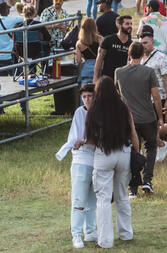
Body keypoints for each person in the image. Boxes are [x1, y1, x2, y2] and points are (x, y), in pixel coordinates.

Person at [84, 78, 139, 249]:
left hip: (104, 154)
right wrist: (136, 153)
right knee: (122, 195)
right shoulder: (123, 107)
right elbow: (133, 132)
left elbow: (91, 139)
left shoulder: (94, 110)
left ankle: (105, 240)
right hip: (124, 152)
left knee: (103, 199)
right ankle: (126, 233)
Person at [114, 41, 164, 197]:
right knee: (151, 147)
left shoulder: (119, 72)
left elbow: (117, 94)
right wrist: (160, 117)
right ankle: (148, 180)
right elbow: (156, 97)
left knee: (132, 150)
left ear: (128, 54)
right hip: (148, 117)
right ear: (143, 55)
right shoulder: (148, 72)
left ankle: (133, 187)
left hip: (129, 119)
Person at [58, 83, 97, 248]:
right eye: (84, 97)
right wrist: (81, 142)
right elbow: (75, 137)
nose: (87, 100)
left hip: (97, 159)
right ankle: (76, 234)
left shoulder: (102, 112)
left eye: (90, 96)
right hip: (81, 160)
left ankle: (90, 231)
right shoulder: (79, 112)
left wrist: (87, 140)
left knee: (92, 200)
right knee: (79, 199)